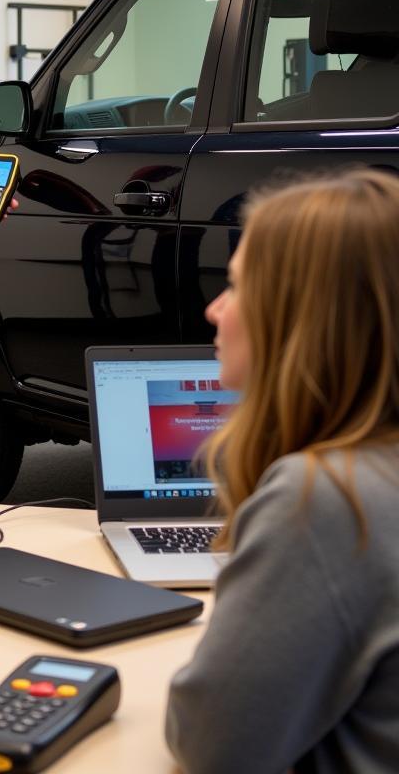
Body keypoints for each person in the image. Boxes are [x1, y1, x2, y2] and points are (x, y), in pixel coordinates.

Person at [165, 169, 399, 774]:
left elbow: (211, 742)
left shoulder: (327, 498)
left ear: (303, 316)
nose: (215, 309)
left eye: (237, 287)